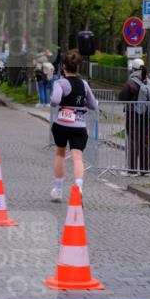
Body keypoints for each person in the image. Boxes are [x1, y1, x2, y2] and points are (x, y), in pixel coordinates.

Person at [49, 50, 98, 201]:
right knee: (77, 157)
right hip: (79, 125)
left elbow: (56, 100)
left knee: (60, 154)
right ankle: (78, 187)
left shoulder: (60, 83)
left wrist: (52, 101)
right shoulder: (84, 84)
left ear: (63, 67)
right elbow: (92, 105)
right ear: (77, 68)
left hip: (62, 123)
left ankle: (58, 190)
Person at [118, 57, 150, 174]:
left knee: (133, 140)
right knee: (145, 140)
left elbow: (122, 97)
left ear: (133, 69)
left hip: (133, 115)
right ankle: (145, 170)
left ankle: (132, 169)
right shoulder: (148, 81)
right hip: (147, 115)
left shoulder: (131, 82)